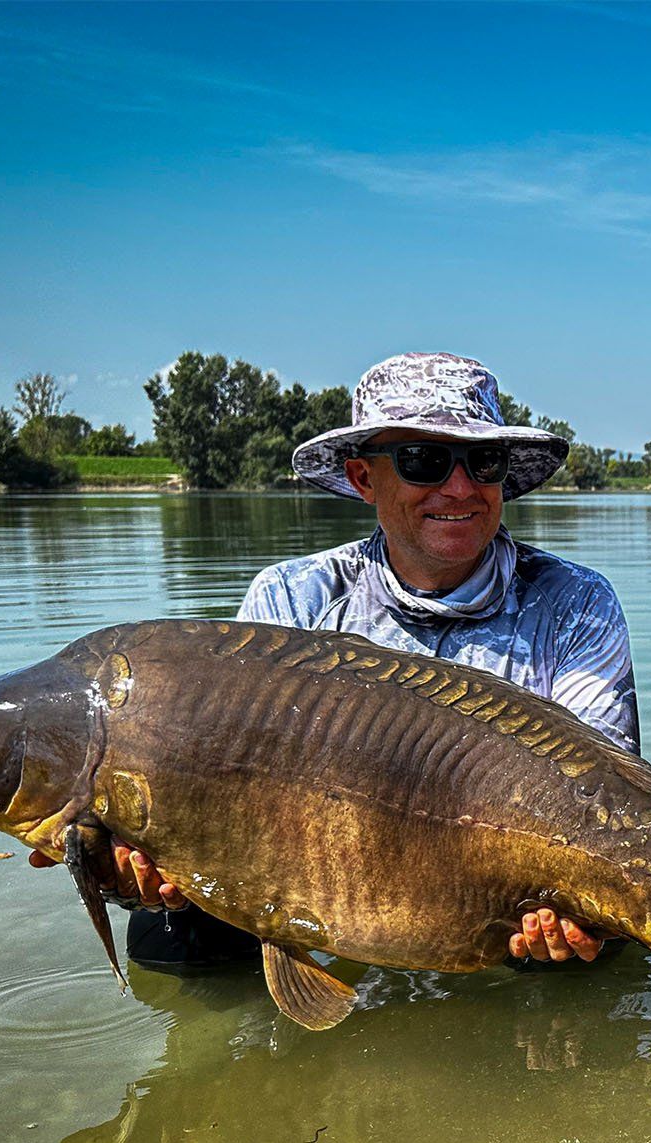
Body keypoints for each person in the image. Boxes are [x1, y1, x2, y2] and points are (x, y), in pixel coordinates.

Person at [33, 352, 619, 968]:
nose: (460, 487)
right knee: (166, 937)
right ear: (364, 479)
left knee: (599, 934)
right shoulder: (292, 599)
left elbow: (607, 799)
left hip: (513, 896)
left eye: (484, 461)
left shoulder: (575, 602)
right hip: (324, 879)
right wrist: (150, 879)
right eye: (424, 461)